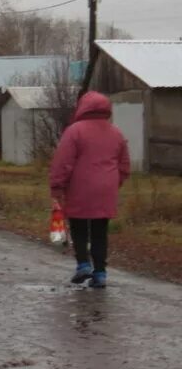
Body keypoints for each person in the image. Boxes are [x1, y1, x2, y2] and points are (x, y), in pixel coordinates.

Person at [49, 91, 130, 288]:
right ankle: (100, 273)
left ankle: (83, 264)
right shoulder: (116, 132)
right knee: (99, 232)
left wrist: (57, 185)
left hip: (79, 187)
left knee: (78, 227)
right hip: (106, 189)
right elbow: (124, 165)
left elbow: (64, 162)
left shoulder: (75, 131)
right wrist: (114, 182)